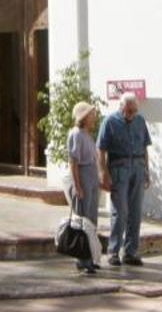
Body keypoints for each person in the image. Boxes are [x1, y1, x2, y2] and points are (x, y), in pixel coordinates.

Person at [97, 92, 151, 267]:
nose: (131, 115)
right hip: (119, 168)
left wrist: (146, 170)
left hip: (137, 166)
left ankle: (131, 251)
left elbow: (144, 147)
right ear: (121, 107)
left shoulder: (140, 121)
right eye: (128, 111)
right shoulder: (110, 122)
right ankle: (113, 252)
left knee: (135, 212)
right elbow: (101, 149)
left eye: (134, 111)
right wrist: (103, 173)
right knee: (119, 212)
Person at [65, 102, 103, 275]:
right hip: (83, 177)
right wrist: (77, 186)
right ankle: (83, 259)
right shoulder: (76, 134)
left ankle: (90, 257)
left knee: (92, 220)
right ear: (83, 116)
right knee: (83, 221)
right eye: (91, 114)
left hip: (91, 176)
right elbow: (73, 162)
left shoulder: (87, 134)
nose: (94, 117)